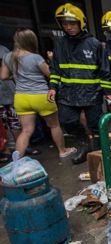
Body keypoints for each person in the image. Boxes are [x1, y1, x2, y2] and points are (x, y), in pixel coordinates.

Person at [49, 3, 111, 164]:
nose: (68, 27)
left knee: (96, 124)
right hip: (68, 93)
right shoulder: (60, 44)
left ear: (80, 23)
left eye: (72, 23)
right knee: (67, 121)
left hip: (91, 93)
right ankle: (84, 143)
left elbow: (104, 71)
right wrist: (52, 88)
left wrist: (107, 93)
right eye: (65, 24)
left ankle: (99, 152)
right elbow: (55, 69)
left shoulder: (94, 44)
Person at [1, 29, 76, 160]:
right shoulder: (35, 57)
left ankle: (16, 161)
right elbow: (50, 74)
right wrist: (51, 60)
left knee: (26, 131)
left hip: (21, 97)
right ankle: (62, 150)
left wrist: (18, 76)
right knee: (54, 125)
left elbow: (3, 76)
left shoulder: (8, 56)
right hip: (41, 95)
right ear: (31, 41)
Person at [0, 44, 19, 163]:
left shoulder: (3, 50)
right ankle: (6, 149)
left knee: (15, 123)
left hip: (10, 94)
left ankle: (20, 148)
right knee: (3, 126)